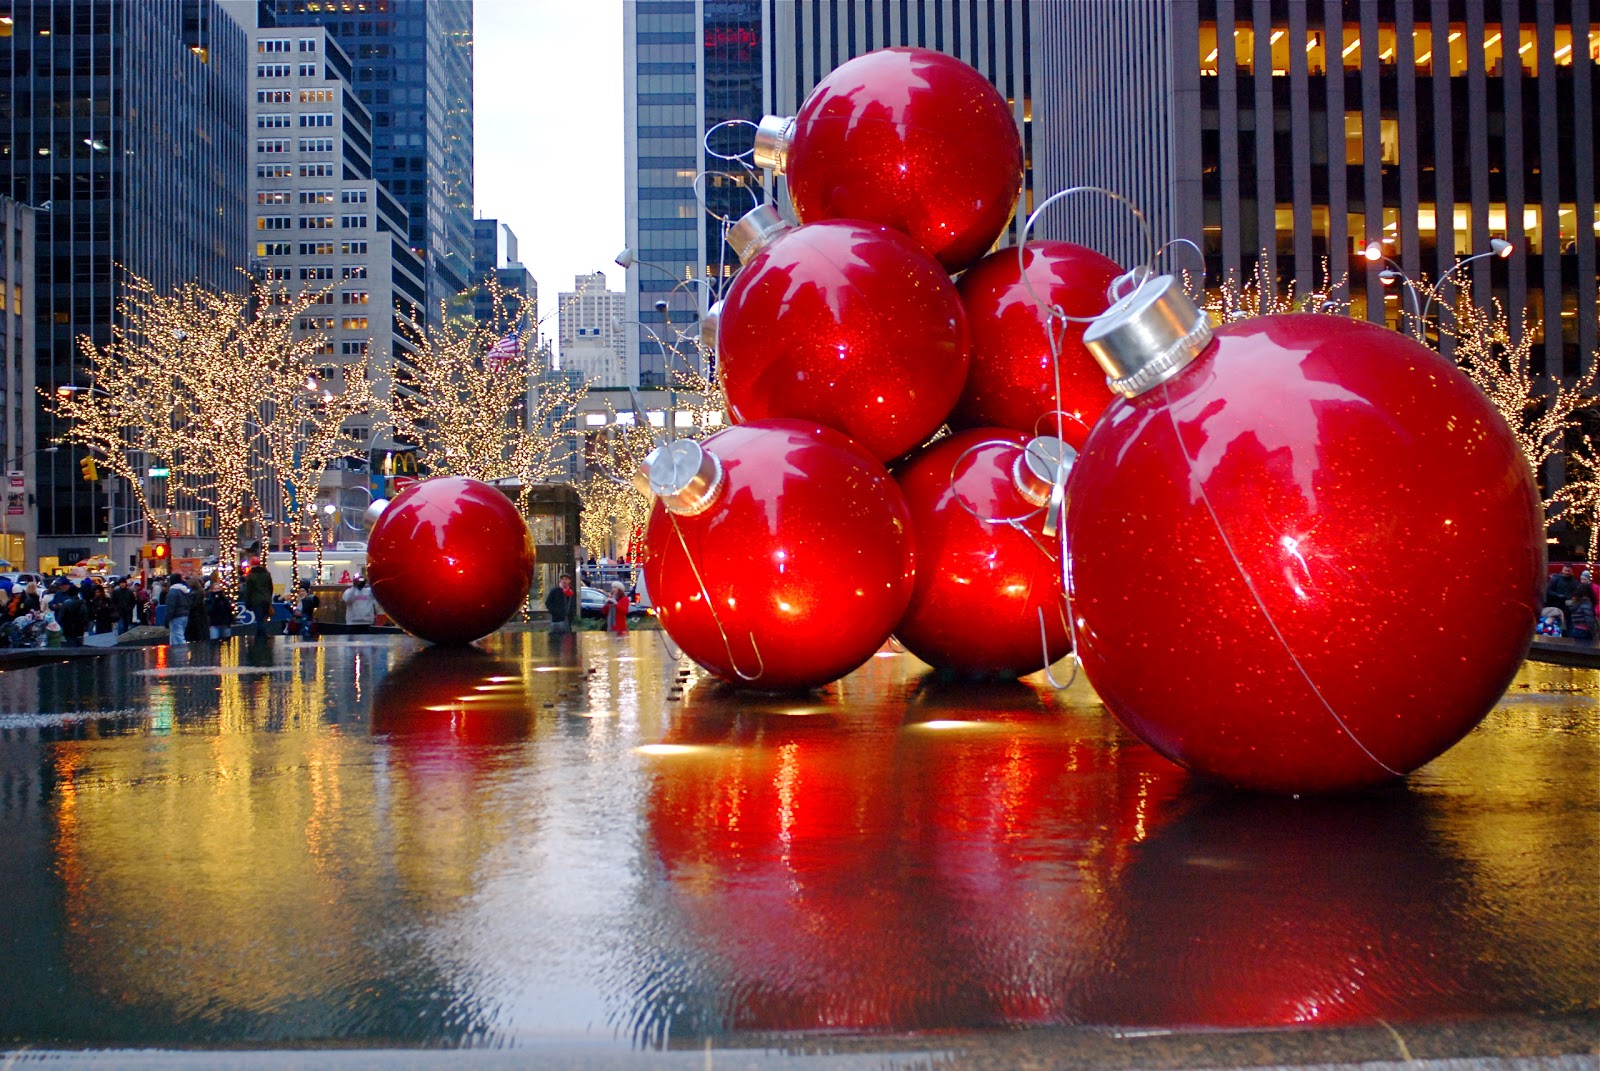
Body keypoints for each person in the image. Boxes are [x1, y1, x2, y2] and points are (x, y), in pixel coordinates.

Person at [51, 579, 89, 647]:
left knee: (70, 647)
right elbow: (85, 617)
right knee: (79, 646)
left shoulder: (66, 603)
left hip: (68, 629)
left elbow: (61, 617)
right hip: (80, 629)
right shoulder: (82, 603)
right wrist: (85, 627)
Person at [241, 564, 274, 638]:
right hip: (266, 600)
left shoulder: (251, 576)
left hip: (256, 600)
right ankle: (260, 635)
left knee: (259, 619)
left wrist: (248, 603)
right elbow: (270, 588)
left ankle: (262, 636)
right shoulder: (267, 574)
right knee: (263, 618)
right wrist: (269, 598)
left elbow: (248, 591)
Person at [164, 575, 192, 646]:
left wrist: (167, 619)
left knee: (177, 636)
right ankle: (177, 652)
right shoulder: (185, 590)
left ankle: (182, 653)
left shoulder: (173, 591)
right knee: (179, 634)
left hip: (176, 616)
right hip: (185, 615)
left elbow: (171, 606)